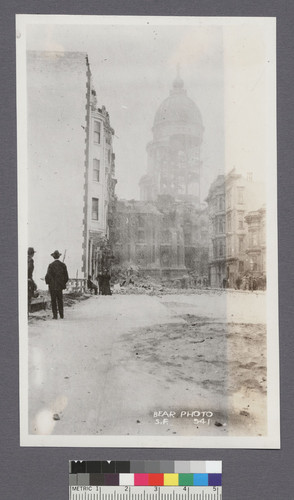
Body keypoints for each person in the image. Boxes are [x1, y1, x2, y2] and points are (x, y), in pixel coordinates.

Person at [45, 250, 69, 319]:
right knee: (60, 300)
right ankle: (61, 315)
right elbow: (66, 277)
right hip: (60, 286)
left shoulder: (51, 265)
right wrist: (62, 283)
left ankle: (55, 315)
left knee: (53, 301)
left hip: (52, 286)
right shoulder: (63, 265)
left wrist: (48, 283)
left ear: (53, 257)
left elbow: (47, 276)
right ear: (59, 256)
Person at [28, 247, 38, 314]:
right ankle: (27, 313)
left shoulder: (24, 259)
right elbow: (29, 270)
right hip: (28, 280)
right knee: (28, 297)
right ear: (32, 254)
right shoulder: (30, 260)